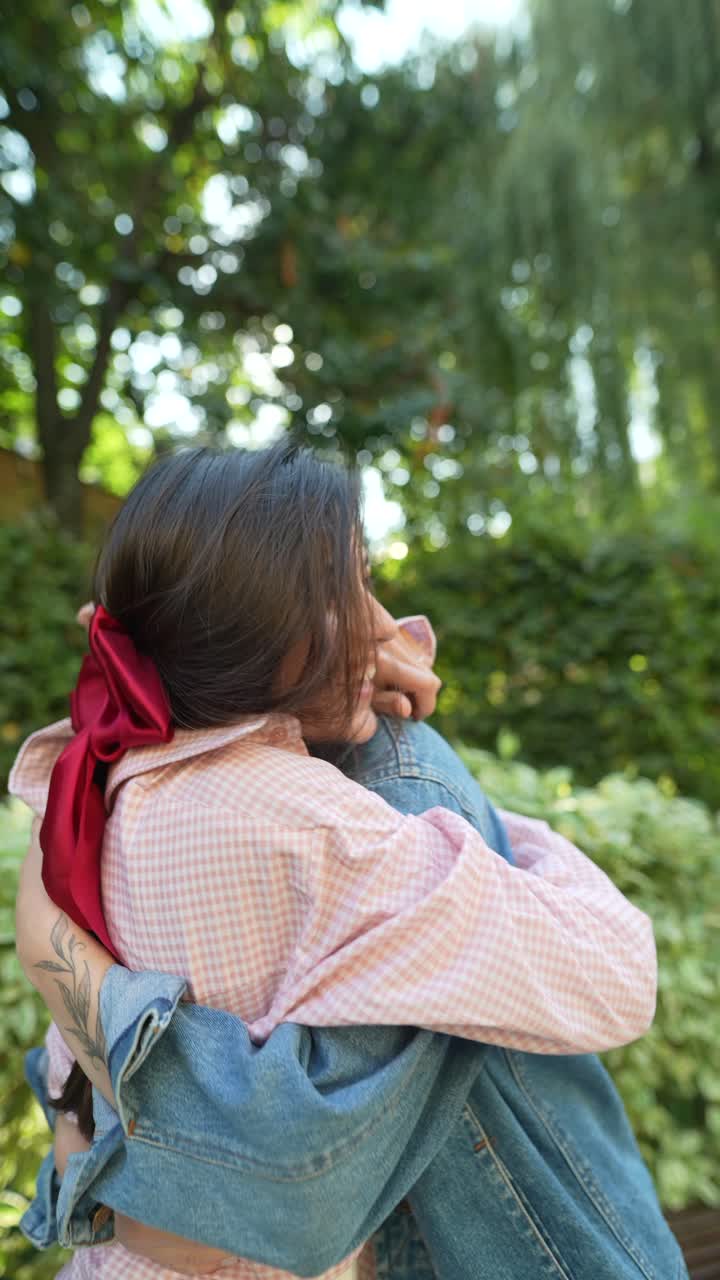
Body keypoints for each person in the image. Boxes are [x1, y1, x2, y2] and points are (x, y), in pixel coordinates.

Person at [12, 442, 670, 1280]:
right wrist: (486, 828)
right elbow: (616, 973)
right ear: (246, 628)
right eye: (337, 595)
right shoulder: (315, 829)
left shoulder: (108, 773)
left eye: (365, 580)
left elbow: (77, 1095)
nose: (378, 623)